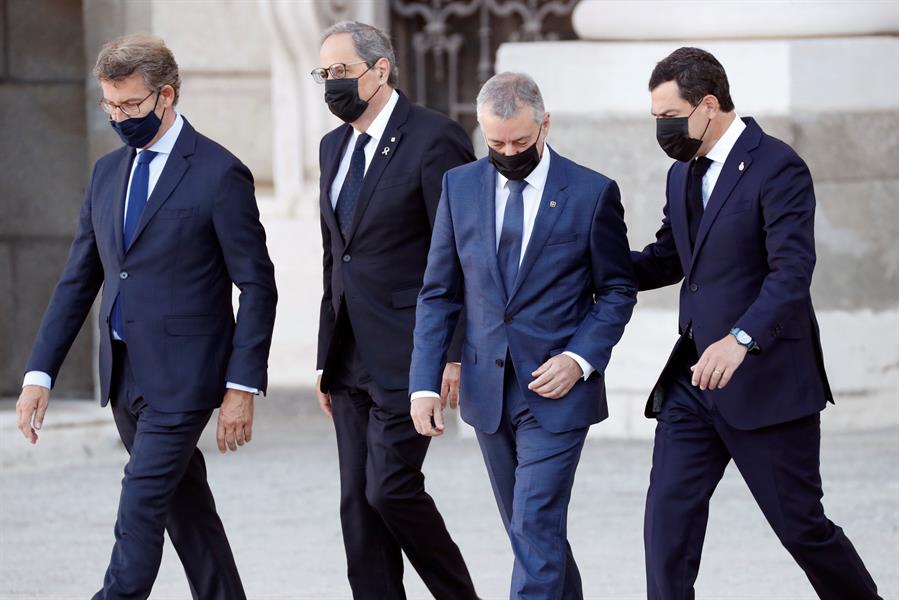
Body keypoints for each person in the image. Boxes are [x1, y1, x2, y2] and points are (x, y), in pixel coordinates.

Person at [14, 33, 277, 600]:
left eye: (131, 105)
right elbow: (78, 280)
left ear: (166, 95)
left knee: (139, 508)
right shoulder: (107, 173)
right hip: (124, 376)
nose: (118, 117)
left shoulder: (218, 172)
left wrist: (241, 386)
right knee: (187, 511)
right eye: (109, 105)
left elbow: (258, 285)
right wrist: (41, 374)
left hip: (183, 379)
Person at [633, 46, 881, 600]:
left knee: (802, 528)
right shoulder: (682, 173)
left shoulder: (778, 166)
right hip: (692, 385)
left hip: (765, 382)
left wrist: (741, 339)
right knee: (665, 532)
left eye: (669, 116)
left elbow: (792, 272)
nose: (663, 129)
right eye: (656, 119)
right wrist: (595, 267)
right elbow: (671, 257)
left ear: (710, 105)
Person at [410, 72, 637, 600]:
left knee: (534, 523)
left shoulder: (591, 192)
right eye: (495, 144)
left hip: (557, 394)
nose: (508, 152)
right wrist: (423, 382)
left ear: (544, 125)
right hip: (488, 394)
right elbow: (439, 291)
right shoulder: (459, 187)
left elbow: (618, 289)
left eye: (519, 141)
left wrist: (580, 358)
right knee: (532, 532)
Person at [312, 21, 478, 600]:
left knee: (390, 489)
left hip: (412, 350)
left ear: (380, 70)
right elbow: (337, 257)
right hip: (350, 354)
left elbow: (459, 251)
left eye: (342, 72)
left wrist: (453, 354)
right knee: (357, 511)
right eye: (325, 73)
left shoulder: (436, 138)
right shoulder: (333, 146)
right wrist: (322, 357)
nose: (332, 84)